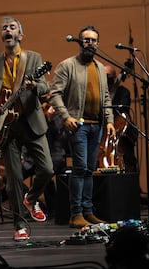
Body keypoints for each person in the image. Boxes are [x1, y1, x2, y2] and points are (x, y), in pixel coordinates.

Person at [0, 16, 54, 241]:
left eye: (12, 27)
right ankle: (20, 225)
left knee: (47, 169)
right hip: (5, 128)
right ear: (2, 35)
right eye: (4, 28)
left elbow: (45, 87)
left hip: (31, 122)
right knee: (14, 179)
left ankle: (32, 197)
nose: (7, 30)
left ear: (20, 35)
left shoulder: (34, 58)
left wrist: (34, 84)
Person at [49, 25, 116, 228]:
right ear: (80, 42)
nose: (90, 43)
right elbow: (54, 93)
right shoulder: (67, 65)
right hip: (78, 125)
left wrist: (110, 120)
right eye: (86, 40)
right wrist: (66, 116)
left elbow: (105, 96)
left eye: (93, 40)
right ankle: (76, 213)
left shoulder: (100, 68)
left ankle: (88, 211)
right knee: (80, 169)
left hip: (97, 125)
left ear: (98, 43)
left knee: (90, 170)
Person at [103, 64, 137, 173]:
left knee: (127, 159)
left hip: (120, 136)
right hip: (104, 137)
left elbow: (122, 113)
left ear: (113, 78)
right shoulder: (101, 94)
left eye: (107, 77)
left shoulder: (123, 92)